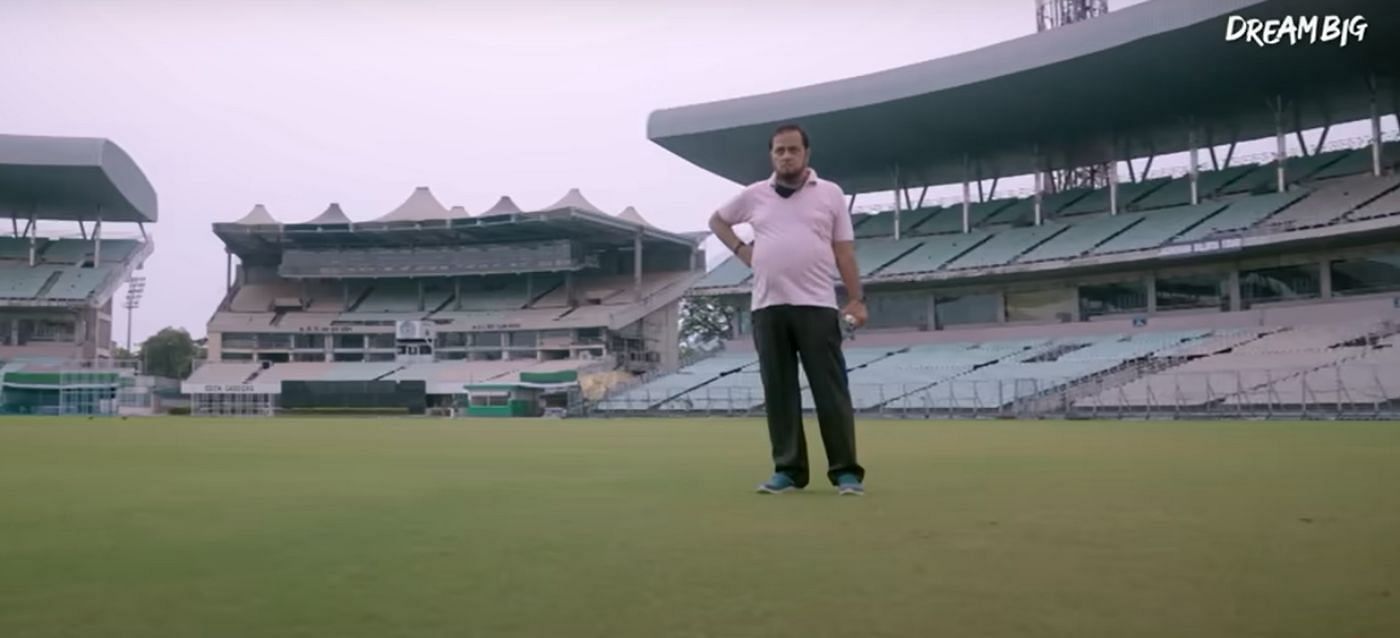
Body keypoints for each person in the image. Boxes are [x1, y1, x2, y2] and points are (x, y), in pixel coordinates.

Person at [708, 123, 869, 496]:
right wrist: (741, 250)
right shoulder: (754, 195)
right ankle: (789, 470)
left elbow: (844, 250)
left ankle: (845, 472)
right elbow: (717, 221)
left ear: (806, 154)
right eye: (779, 150)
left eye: (793, 149)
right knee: (779, 393)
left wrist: (857, 298)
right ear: (771, 155)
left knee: (830, 391)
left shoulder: (829, 194)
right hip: (768, 308)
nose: (786, 156)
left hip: (817, 305)